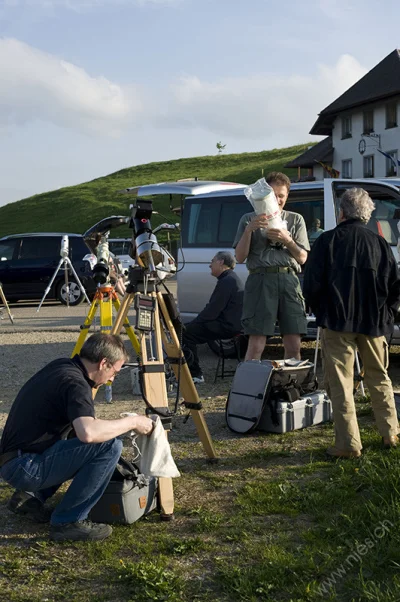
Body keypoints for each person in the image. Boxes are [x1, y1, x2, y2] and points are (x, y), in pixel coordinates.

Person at [0, 332, 154, 542]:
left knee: (81, 442)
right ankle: (68, 522)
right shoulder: (76, 384)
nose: (112, 379)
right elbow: (88, 433)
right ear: (103, 363)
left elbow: (77, 432)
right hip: (25, 467)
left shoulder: (61, 366)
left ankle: (30, 497)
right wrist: (134, 422)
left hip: (14, 460)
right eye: (115, 372)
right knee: (109, 447)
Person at [303, 187, 400, 459]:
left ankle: (348, 445)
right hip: (374, 322)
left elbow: (311, 284)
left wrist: (320, 309)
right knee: (379, 377)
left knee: (342, 384)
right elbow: (395, 285)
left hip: (337, 321)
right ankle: (390, 433)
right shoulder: (380, 243)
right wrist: (388, 313)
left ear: (342, 212)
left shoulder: (326, 241)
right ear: (368, 215)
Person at [233, 171, 310, 361]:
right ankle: (250, 389)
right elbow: (240, 257)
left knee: (293, 344)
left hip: (289, 281)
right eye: (273, 194)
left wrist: (287, 240)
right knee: (257, 344)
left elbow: (302, 258)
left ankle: (291, 387)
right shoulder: (248, 218)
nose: (277, 199)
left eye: (281, 195)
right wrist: (250, 230)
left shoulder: (295, 219)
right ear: (265, 194)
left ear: (287, 196)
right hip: (260, 280)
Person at [182, 251, 244, 384]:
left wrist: (193, 323)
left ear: (221, 262)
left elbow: (212, 311)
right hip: (230, 322)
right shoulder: (229, 278)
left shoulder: (227, 281)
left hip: (228, 326)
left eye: (212, 261)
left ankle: (195, 375)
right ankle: (188, 371)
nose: (210, 265)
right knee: (187, 329)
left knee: (186, 333)